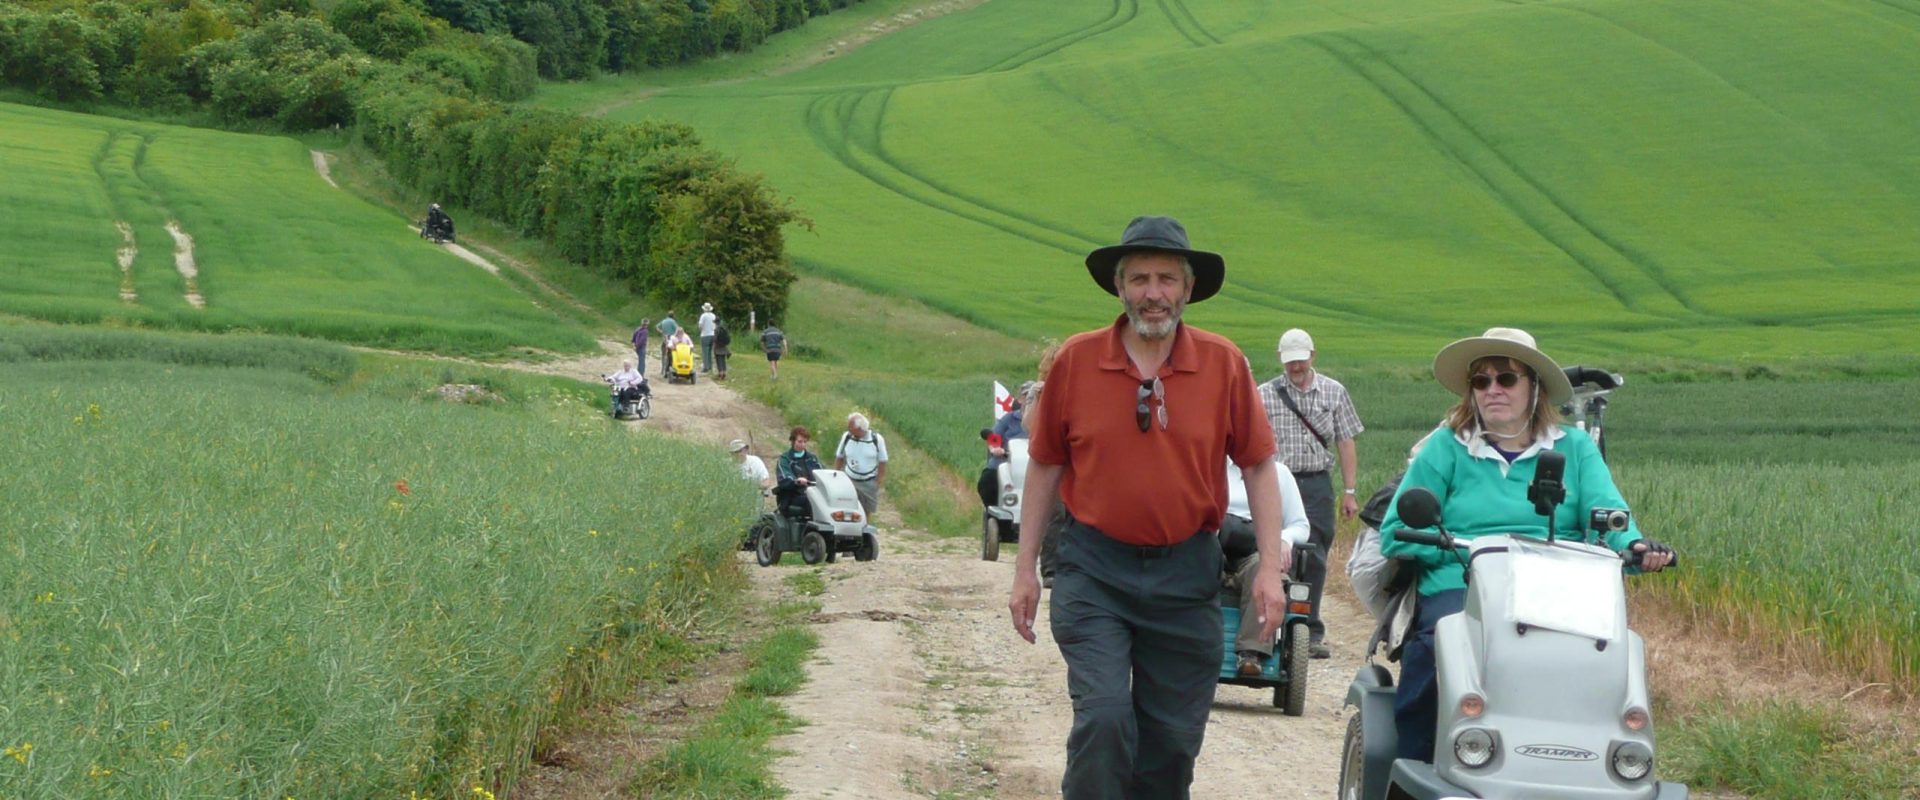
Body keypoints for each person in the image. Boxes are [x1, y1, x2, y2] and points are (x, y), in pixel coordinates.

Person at [1008, 215, 1292, 799]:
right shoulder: (1077, 361)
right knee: (1105, 718)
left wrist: (1268, 568)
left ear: (1188, 289)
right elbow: (1045, 463)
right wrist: (1024, 569)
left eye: (1167, 279)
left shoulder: (1223, 364)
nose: (1153, 294)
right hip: (1094, 570)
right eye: (1139, 278)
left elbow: (1259, 464)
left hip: (1186, 574)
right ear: (1119, 287)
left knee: (1169, 746)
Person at [1378, 327, 1674, 764]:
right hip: (1463, 581)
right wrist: (1461, 547)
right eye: (1481, 381)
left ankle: (1608, 762)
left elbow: (1610, 515)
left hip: (1558, 584)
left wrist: (1636, 546)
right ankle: (1414, 770)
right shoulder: (1446, 447)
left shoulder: (1573, 448)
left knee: (1610, 656)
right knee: (1439, 645)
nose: (1492, 389)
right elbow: (1394, 531)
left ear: (1534, 388)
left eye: (1506, 379)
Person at [1258, 327, 1364, 659]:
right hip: (1276, 482)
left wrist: (1349, 491)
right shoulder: (1264, 395)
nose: (1296, 368)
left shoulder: (1334, 392)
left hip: (1317, 482)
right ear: (1281, 360)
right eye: (1290, 363)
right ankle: (1268, 624)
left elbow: (1345, 441)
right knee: (1272, 552)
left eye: (1301, 362)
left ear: (1312, 356)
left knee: (1315, 555)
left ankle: (1310, 629)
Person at [1221, 458, 1311, 676]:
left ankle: (1251, 652)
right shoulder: (1211, 466)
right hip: (1216, 544)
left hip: (1256, 550)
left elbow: (1300, 525)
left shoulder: (1279, 473)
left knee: (1262, 570)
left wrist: (1284, 539)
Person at [977, 381, 1037, 507]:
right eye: (1029, 397)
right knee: (988, 481)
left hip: (1036, 466)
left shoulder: (1046, 421)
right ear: (1021, 399)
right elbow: (994, 437)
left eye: (1036, 397)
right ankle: (994, 512)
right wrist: (995, 448)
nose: (1032, 401)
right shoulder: (1009, 419)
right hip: (1006, 463)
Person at [834, 412, 889, 524]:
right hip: (849, 479)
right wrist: (836, 474)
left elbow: (883, 461)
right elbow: (840, 457)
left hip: (868, 482)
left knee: (866, 511)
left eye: (851, 427)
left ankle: (864, 532)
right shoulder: (847, 437)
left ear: (860, 429)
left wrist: (878, 481)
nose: (849, 430)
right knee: (846, 509)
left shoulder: (877, 439)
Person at [774, 426, 824, 519]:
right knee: (811, 501)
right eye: (800, 441)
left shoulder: (812, 459)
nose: (802, 444)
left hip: (813, 494)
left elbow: (823, 474)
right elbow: (784, 479)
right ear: (793, 441)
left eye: (805, 442)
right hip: (792, 496)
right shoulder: (785, 459)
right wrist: (796, 481)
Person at [656, 313, 680, 378]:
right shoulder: (673, 321)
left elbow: (657, 326)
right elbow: (678, 329)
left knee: (663, 355)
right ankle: (669, 370)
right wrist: (675, 335)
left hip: (664, 339)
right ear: (673, 316)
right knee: (671, 355)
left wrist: (661, 331)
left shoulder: (664, 321)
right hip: (671, 340)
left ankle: (663, 370)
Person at [697, 302, 717, 374]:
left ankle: (705, 367)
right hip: (712, 334)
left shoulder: (703, 316)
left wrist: (701, 330)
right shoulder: (713, 315)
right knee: (710, 351)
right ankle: (710, 366)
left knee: (705, 351)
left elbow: (700, 325)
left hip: (705, 335)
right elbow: (715, 325)